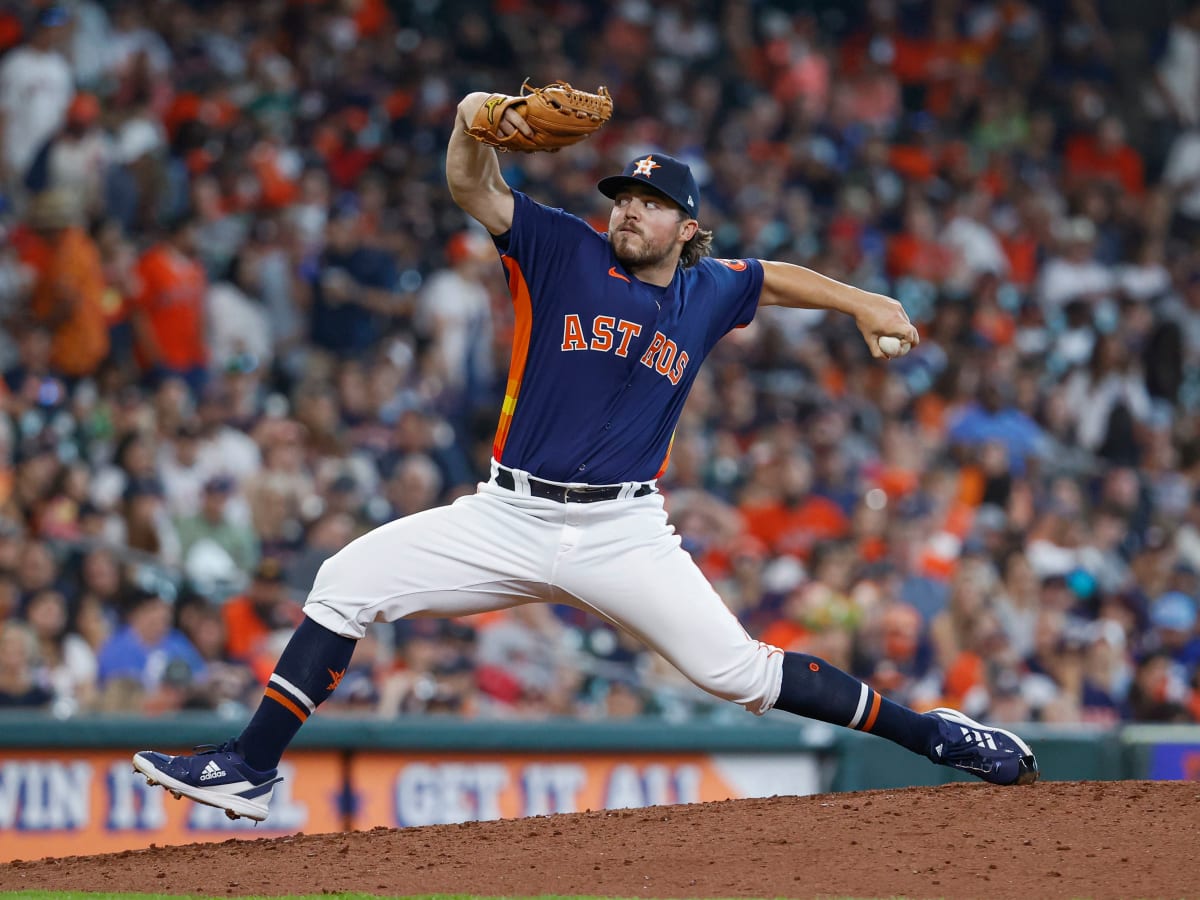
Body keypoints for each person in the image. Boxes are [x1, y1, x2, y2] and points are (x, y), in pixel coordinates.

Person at [133, 89, 1039, 823]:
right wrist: (469, 118)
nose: (629, 211)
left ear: (688, 227)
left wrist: (867, 301)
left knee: (739, 674)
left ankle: (935, 737)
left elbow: (777, 276)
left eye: (649, 204)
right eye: (623, 198)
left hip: (621, 530)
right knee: (344, 579)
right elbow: (473, 190)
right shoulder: (561, 247)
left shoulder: (707, 292)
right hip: (504, 513)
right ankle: (249, 767)